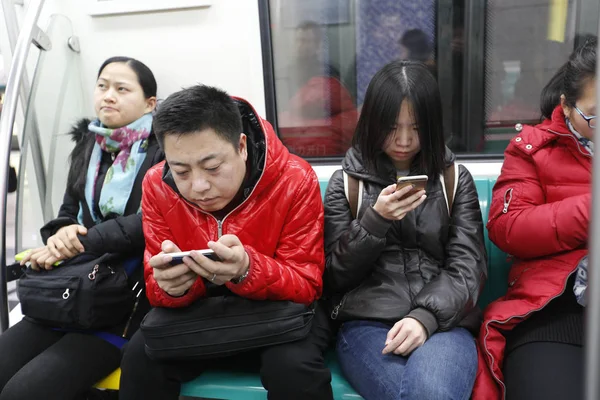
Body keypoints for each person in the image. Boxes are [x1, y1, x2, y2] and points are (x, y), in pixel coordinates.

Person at [118, 84, 333, 400]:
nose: (199, 186)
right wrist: (172, 286)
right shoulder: (156, 185)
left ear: (242, 146)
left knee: (292, 367)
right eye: (181, 171)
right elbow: (155, 285)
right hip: (201, 313)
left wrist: (247, 269)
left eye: (213, 168)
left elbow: (307, 283)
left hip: (282, 315)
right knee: (140, 357)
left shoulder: (295, 179)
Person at [0, 56, 162, 400]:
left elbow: (154, 220)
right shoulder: (88, 145)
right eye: (102, 86)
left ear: (150, 103)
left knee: (23, 393)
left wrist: (83, 240)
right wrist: (61, 233)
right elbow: (68, 212)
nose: (108, 96)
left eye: (121, 88)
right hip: (69, 292)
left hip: (122, 301)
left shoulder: (164, 150)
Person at [323, 60, 487, 400]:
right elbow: (334, 276)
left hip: (444, 322)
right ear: (371, 124)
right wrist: (374, 221)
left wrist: (424, 317)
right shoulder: (346, 185)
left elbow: (467, 267)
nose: (404, 140)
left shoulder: (454, 181)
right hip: (365, 322)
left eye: (416, 128)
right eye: (392, 127)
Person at [473, 38, 597, 400]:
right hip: (554, 311)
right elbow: (509, 228)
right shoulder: (534, 149)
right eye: (594, 116)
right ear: (566, 106)